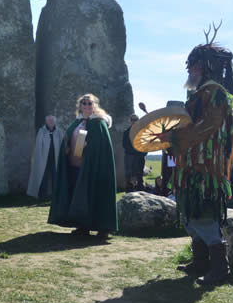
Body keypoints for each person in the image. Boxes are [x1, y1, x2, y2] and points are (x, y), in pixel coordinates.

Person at [157, 23, 233, 285]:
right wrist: (171, 135)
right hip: (190, 164)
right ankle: (201, 261)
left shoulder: (215, 93)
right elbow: (190, 124)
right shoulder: (198, 94)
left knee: (203, 214)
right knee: (190, 214)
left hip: (205, 166)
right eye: (189, 66)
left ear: (206, 68)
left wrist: (174, 138)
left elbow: (208, 127)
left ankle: (221, 268)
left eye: (193, 66)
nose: (189, 71)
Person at [48, 93, 117, 238]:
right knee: (79, 197)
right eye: (84, 103)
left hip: (93, 167)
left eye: (89, 103)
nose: (86, 106)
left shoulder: (99, 123)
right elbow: (68, 138)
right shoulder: (77, 122)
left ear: (94, 105)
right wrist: (66, 147)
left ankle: (103, 228)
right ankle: (82, 226)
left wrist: (88, 146)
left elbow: (101, 147)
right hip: (75, 166)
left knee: (95, 195)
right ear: (80, 106)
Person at [27, 115, 64, 199]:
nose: (51, 122)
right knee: (43, 176)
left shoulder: (59, 132)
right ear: (46, 122)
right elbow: (38, 146)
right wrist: (39, 158)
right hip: (44, 158)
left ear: (55, 122)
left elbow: (62, 144)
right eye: (49, 121)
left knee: (56, 177)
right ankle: (42, 195)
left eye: (52, 121)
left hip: (55, 158)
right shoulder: (41, 131)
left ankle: (56, 195)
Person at [123, 113, 147, 191]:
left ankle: (141, 192)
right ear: (130, 121)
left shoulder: (142, 132)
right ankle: (129, 193)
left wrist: (143, 154)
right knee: (129, 176)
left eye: (135, 120)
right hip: (130, 158)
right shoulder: (126, 132)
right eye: (132, 120)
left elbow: (145, 144)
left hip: (140, 157)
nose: (134, 121)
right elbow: (125, 145)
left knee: (139, 175)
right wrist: (135, 151)